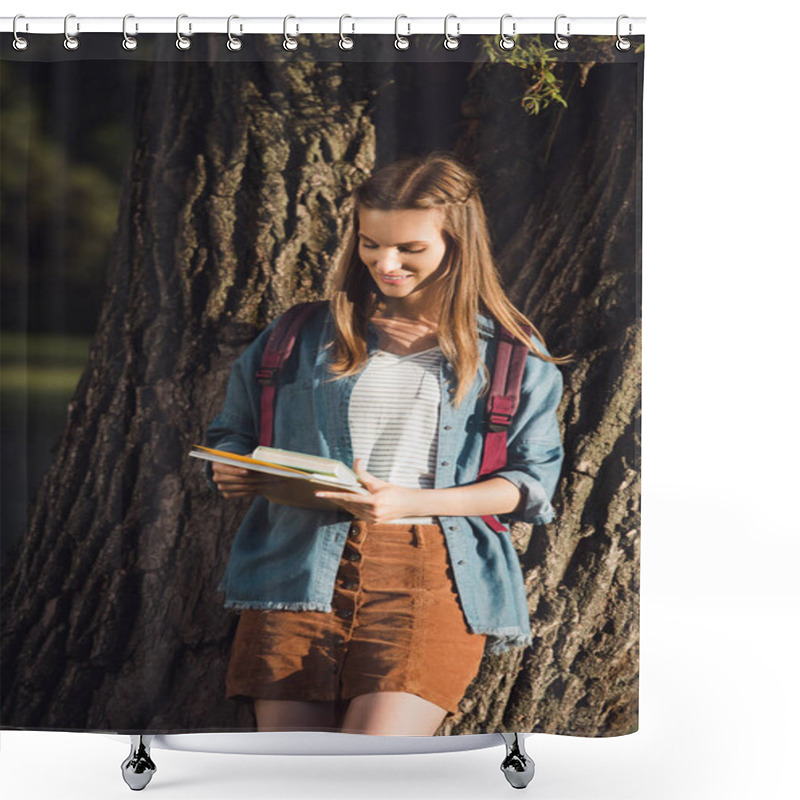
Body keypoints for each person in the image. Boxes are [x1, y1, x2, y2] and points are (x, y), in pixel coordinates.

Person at [205, 151, 568, 736]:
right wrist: (230, 469)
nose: (385, 261)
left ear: (457, 242)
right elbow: (232, 434)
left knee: (371, 770)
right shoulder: (302, 333)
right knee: (289, 775)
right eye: (371, 243)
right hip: (294, 572)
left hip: (430, 574)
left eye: (409, 249)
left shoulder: (507, 354)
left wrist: (407, 502)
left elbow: (529, 485)